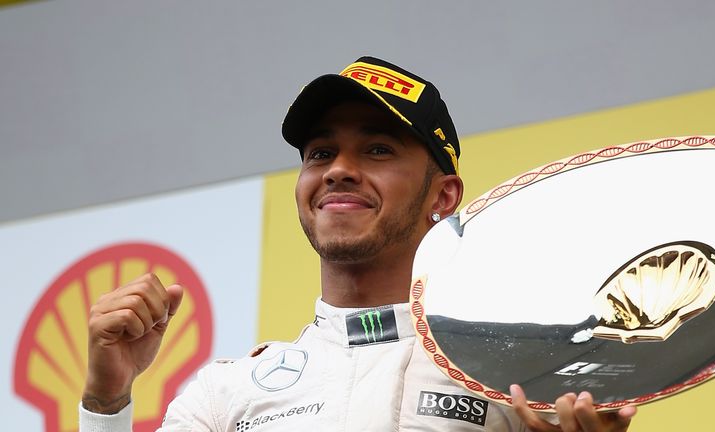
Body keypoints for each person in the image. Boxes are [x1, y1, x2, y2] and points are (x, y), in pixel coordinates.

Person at [79, 56, 637, 431]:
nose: (339, 170)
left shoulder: (524, 376)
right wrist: (107, 402)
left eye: (377, 150)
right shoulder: (226, 392)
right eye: (320, 152)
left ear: (443, 196)